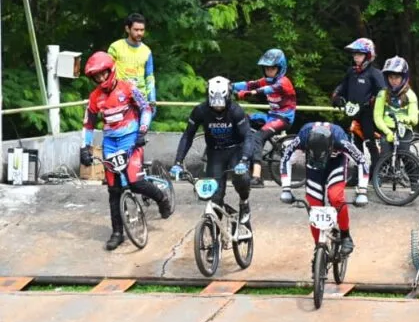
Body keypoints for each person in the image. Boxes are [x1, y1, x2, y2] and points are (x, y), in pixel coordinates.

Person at [78, 51, 172, 251]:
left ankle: (161, 198)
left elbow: (146, 109)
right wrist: (85, 147)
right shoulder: (94, 98)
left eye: (103, 74)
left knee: (135, 182)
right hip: (110, 142)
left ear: (110, 71)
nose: (101, 78)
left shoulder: (128, 88)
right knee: (113, 190)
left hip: (131, 140)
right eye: (97, 76)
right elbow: (88, 124)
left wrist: (142, 131)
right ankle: (117, 233)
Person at [169, 77, 255, 222]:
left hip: (236, 150)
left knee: (242, 178)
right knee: (215, 196)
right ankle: (216, 232)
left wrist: (244, 160)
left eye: (221, 105)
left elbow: (248, 136)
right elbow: (187, 136)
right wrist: (178, 162)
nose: (218, 109)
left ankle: (244, 202)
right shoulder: (200, 111)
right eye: (215, 105)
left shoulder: (236, 111)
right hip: (215, 152)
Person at [279, 122, 367, 253]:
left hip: (335, 163)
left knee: (335, 197)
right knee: (314, 205)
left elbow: (362, 160)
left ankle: (345, 235)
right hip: (313, 164)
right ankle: (318, 247)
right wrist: (286, 188)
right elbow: (286, 158)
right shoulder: (303, 136)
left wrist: (362, 191)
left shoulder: (340, 139)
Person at [232, 48, 296, 187]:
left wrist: (249, 93)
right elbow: (249, 84)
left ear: (280, 68)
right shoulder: (266, 80)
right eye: (266, 68)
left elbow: (266, 90)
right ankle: (246, 163)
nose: (269, 71)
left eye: (272, 68)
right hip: (271, 116)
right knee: (243, 121)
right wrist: (229, 85)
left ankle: (257, 177)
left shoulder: (284, 82)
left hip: (283, 118)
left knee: (258, 138)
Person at [330, 38, 386, 198]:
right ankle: (357, 175)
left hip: (369, 114)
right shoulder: (351, 71)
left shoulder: (375, 73)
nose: (356, 57)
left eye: (360, 54)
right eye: (355, 54)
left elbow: (383, 93)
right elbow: (342, 86)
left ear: (368, 56)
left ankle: (376, 175)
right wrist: (336, 95)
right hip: (354, 113)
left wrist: (371, 102)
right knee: (355, 146)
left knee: (370, 144)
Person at [108, 13, 156, 112]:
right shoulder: (115, 47)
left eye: (142, 30)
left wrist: (152, 99)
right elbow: (106, 74)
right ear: (127, 29)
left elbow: (149, 77)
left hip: (141, 100)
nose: (139, 33)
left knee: (142, 127)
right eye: (136, 30)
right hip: (119, 98)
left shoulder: (147, 51)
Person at [374, 56, 419, 159]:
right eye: (391, 77)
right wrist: (387, 131)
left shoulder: (410, 95)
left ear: (403, 77)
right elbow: (377, 117)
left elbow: (414, 119)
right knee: (384, 158)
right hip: (387, 130)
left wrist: (402, 120)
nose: (393, 81)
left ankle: (415, 174)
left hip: (404, 130)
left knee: (405, 159)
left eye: (397, 77)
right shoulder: (382, 94)